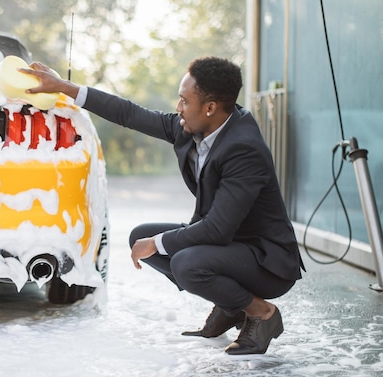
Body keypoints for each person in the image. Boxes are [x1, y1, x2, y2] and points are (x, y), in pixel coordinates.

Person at [21, 56, 304, 355]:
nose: (178, 107)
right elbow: (130, 113)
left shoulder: (243, 148)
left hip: (266, 261)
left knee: (184, 262)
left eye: (184, 100)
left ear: (209, 107)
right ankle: (231, 305)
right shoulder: (193, 126)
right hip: (231, 246)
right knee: (140, 236)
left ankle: (261, 313)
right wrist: (64, 87)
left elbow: (218, 229)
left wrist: (157, 243)